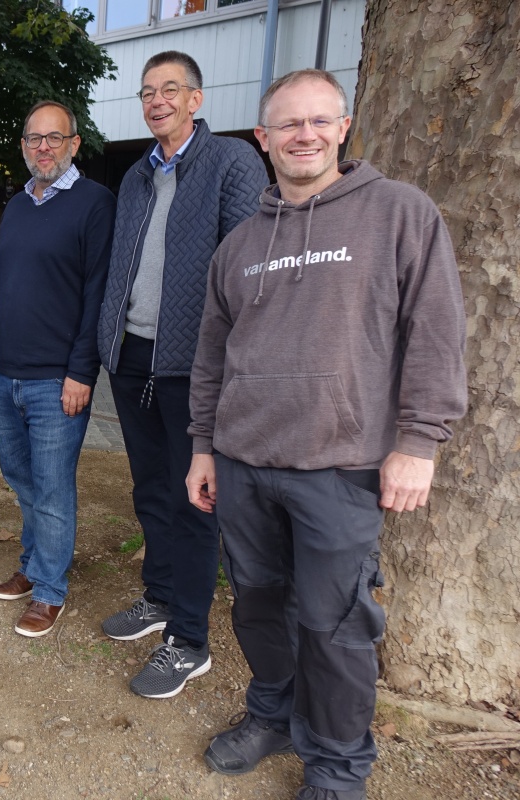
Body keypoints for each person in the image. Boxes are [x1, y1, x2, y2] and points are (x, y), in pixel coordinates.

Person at [186, 70, 466, 800]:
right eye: (288, 124)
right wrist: (202, 447)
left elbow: (435, 331)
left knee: (336, 627)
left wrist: (421, 441)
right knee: (256, 607)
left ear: (342, 129)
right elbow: (212, 356)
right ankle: (273, 716)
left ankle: (339, 766)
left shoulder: (400, 214)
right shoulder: (240, 245)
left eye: (319, 121)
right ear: (263, 138)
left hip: (341, 469)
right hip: (245, 466)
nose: (303, 134)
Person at [96, 51, 267, 699]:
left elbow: (245, 273)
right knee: (150, 491)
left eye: (170, 89)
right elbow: (121, 264)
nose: (157, 100)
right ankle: (160, 597)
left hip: (194, 365)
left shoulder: (231, 163)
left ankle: (189, 639)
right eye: (147, 91)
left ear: (196, 99)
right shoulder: (137, 175)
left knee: (195, 500)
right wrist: (106, 339)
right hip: (132, 357)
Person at [0, 100, 115, 637]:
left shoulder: (94, 203)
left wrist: (82, 372)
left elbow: (98, 295)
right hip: (5, 374)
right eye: (34, 138)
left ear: (74, 144)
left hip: (57, 379)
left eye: (54, 138)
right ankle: (35, 562)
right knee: (21, 480)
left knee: (53, 486)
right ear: (23, 146)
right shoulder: (17, 205)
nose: (44, 147)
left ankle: (50, 590)